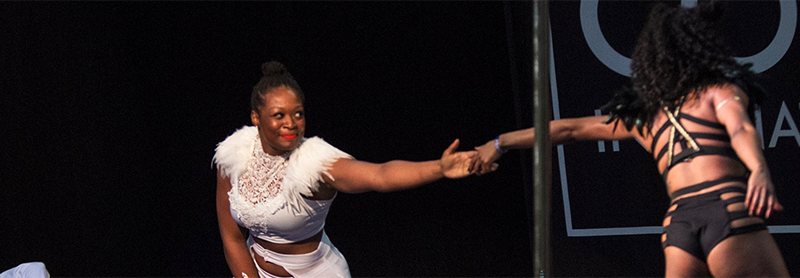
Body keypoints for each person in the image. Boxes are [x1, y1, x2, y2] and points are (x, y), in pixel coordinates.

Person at [472, 2, 789, 277]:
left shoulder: (648, 119)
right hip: (725, 208)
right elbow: (740, 129)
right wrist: (759, 169)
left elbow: (568, 130)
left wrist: (499, 143)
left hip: (679, 228)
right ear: (700, 48)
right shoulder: (717, 91)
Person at [214, 61, 481, 278]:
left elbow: (380, 175)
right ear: (255, 118)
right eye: (279, 115)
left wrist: (438, 168)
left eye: (298, 114)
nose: (291, 123)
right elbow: (233, 238)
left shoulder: (316, 162)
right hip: (254, 271)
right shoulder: (234, 155)